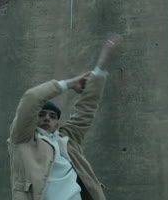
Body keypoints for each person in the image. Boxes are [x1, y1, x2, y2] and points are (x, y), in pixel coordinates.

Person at [7, 34, 122, 200]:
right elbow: (31, 98)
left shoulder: (67, 140)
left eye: (52, 116)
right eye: (42, 114)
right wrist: (68, 84)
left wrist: (102, 64)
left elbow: (87, 109)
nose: (47, 118)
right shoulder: (22, 140)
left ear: (57, 123)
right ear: (33, 119)